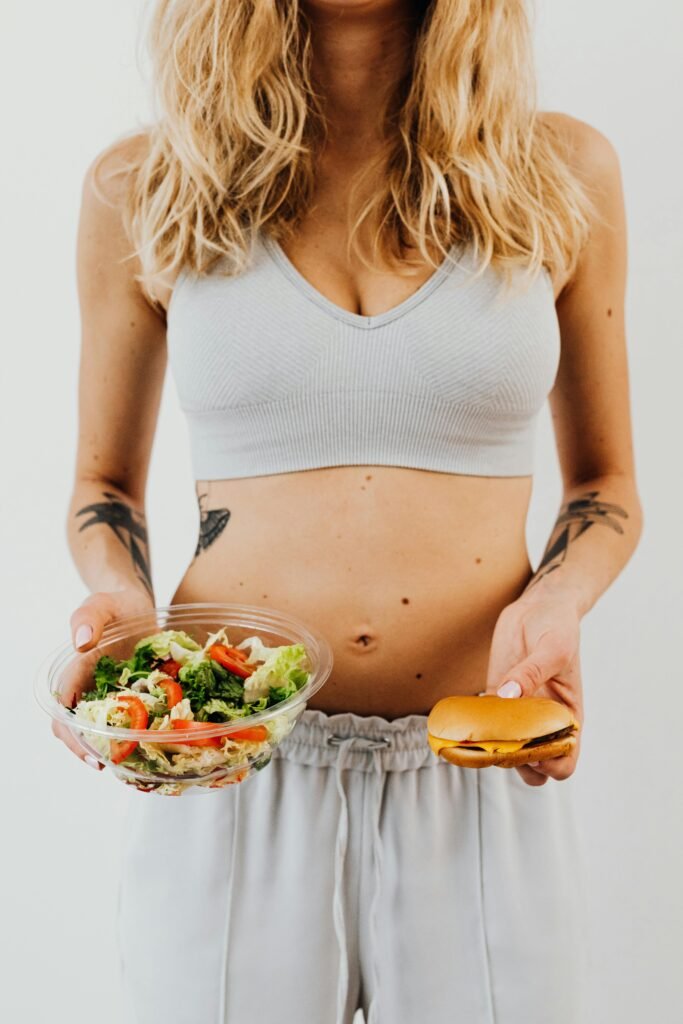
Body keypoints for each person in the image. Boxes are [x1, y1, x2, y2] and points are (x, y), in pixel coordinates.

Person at [52, 1, 642, 1021]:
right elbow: (102, 485)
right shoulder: (146, 183)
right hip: (232, 768)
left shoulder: (559, 173)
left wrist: (555, 607)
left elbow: (603, 484)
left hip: (477, 764)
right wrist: (118, 600)